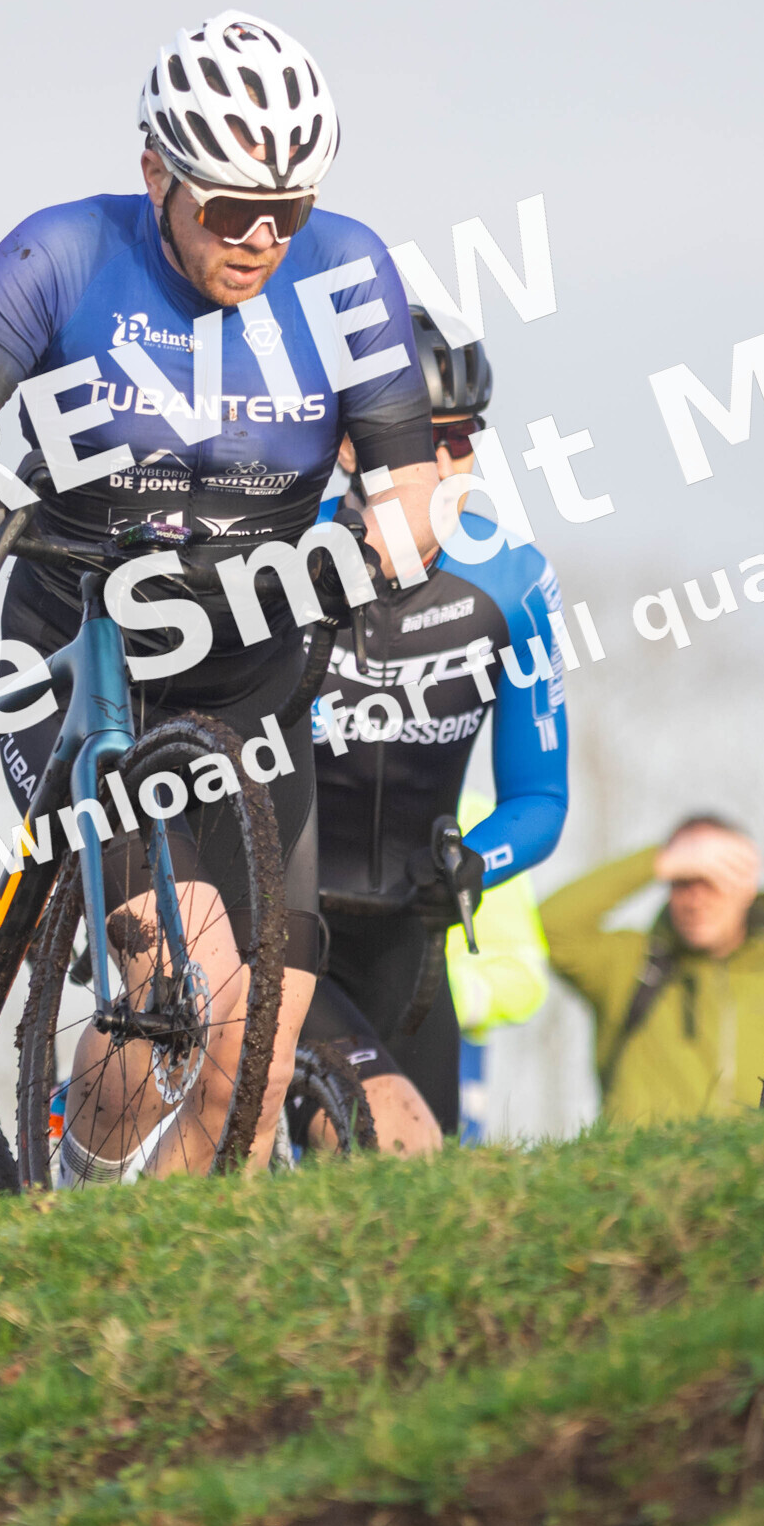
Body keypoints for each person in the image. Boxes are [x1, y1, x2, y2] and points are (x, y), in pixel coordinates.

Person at [0, 10, 438, 1178]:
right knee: (181, 973)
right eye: (228, 210)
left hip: (250, 672)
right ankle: (83, 1224)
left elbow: (408, 484)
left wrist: (387, 536)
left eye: (285, 211)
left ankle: (175, 1292)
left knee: (263, 1054)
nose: (261, 238)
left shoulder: (348, 268)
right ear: (154, 175)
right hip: (79, 659)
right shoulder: (66, 251)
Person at [303, 311, 567, 1151]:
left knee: (421, 1198)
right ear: (351, 446)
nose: (450, 463)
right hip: (273, 923)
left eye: (465, 437)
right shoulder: (278, 558)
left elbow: (539, 798)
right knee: (378, 1139)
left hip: (407, 941)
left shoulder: (515, 580)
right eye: (424, 439)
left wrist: (476, 860)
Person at [539, 816, 764, 1124]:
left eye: (711, 879)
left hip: (761, 1169)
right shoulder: (631, 964)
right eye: (682, 881)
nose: (696, 900)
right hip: (633, 1170)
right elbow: (551, 926)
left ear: (747, 884)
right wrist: (657, 861)